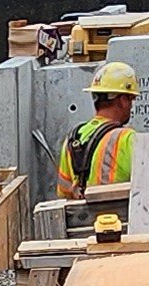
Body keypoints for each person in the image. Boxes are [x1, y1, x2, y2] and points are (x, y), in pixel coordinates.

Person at [56, 60, 139, 195]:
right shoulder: (124, 139)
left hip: (82, 216)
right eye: (131, 100)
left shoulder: (75, 137)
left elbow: (64, 192)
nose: (131, 106)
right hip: (117, 215)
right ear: (124, 100)